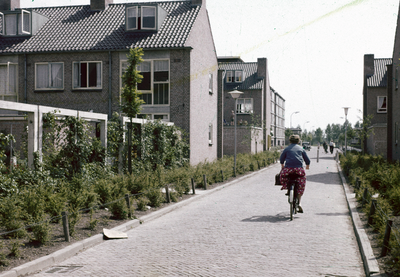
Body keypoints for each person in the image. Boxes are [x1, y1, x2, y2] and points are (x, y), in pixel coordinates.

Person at [279, 135, 310, 213]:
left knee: (282, 176)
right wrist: (307, 165)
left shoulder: (286, 149)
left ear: (290, 141)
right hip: (298, 170)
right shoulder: (301, 149)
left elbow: (281, 159)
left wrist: (282, 165)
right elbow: (307, 159)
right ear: (298, 141)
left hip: (288, 169)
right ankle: (299, 202)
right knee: (302, 181)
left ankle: (287, 187)